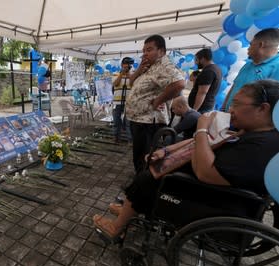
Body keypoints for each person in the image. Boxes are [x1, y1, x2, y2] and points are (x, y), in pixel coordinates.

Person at [93, 80, 279, 240]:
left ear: (263, 109)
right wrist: (166, 151)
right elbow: (202, 142)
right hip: (210, 186)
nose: (231, 109)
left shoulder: (261, 146)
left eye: (237, 104)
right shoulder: (254, 132)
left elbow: (205, 171)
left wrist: (201, 128)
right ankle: (131, 209)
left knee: (147, 177)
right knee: (150, 163)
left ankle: (117, 227)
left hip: (209, 196)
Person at [126, 35, 185, 173]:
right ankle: (139, 183)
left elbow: (179, 83)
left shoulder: (164, 65)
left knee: (143, 157)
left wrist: (159, 100)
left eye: (149, 49)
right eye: (144, 50)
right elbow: (131, 82)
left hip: (148, 121)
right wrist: (140, 68)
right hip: (138, 119)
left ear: (161, 51)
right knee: (139, 155)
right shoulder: (150, 66)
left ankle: (141, 187)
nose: (145, 53)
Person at [221, 28, 279, 112]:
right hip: (231, 116)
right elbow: (235, 86)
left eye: (251, 44)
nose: (248, 48)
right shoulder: (248, 65)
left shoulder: (276, 67)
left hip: (251, 122)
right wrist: (224, 108)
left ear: (261, 45)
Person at [188, 48, 222, 113]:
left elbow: (202, 92)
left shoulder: (209, 71)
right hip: (206, 106)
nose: (196, 63)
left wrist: (194, 110)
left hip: (201, 109)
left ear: (203, 59)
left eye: (197, 60)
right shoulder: (216, 68)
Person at [112, 57, 134, 143]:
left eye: (128, 65)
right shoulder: (116, 74)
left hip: (129, 102)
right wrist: (122, 73)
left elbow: (134, 84)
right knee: (116, 120)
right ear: (121, 65)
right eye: (125, 64)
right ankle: (116, 137)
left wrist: (128, 74)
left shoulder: (133, 74)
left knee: (128, 122)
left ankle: (130, 140)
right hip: (117, 102)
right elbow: (115, 83)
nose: (126, 66)